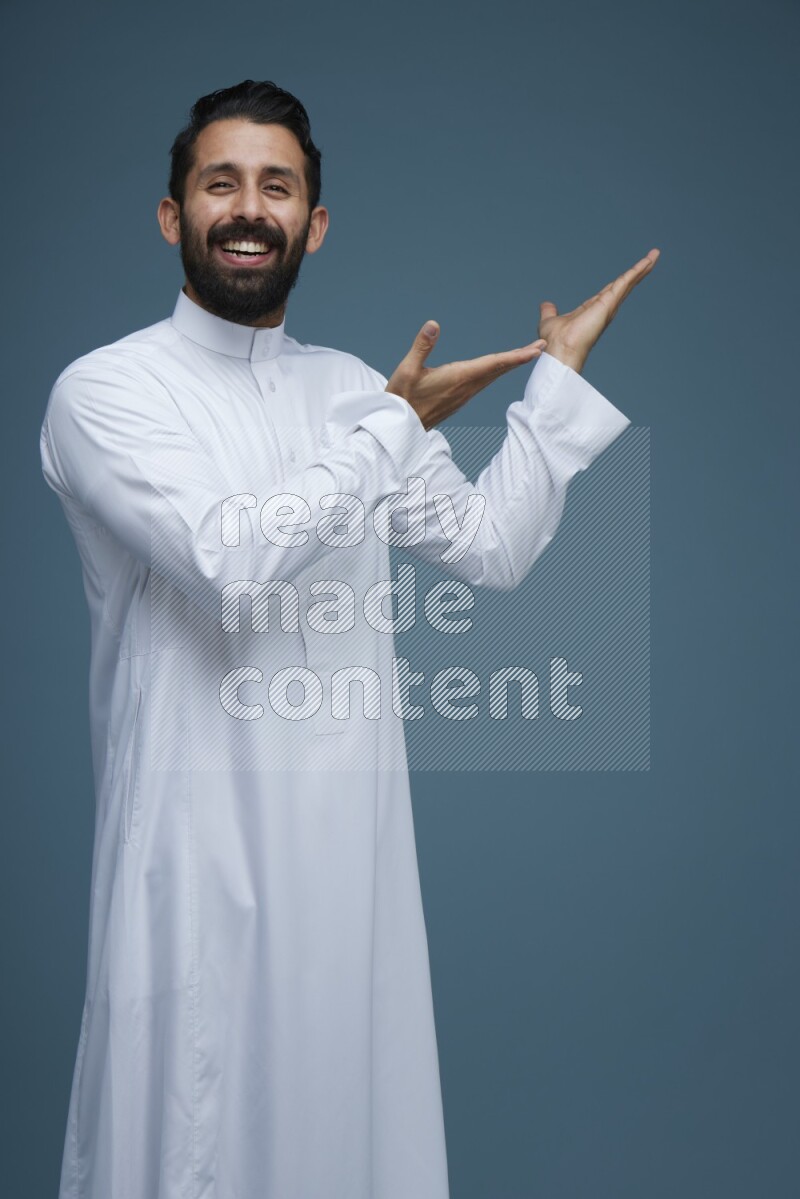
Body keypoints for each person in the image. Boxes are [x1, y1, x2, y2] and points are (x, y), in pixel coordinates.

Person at [40, 79, 658, 1199]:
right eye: (218, 182)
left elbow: (488, 546)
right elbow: (228, 562)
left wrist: (552, 386)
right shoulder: (103, 391)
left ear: (311, 225)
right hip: (194, 861)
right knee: (186, 1140)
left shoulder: (349, 394)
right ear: (172, 214)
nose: (247, 207)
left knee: (344, 1142)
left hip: (347, 870)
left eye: (275, 186)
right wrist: (390, 426)